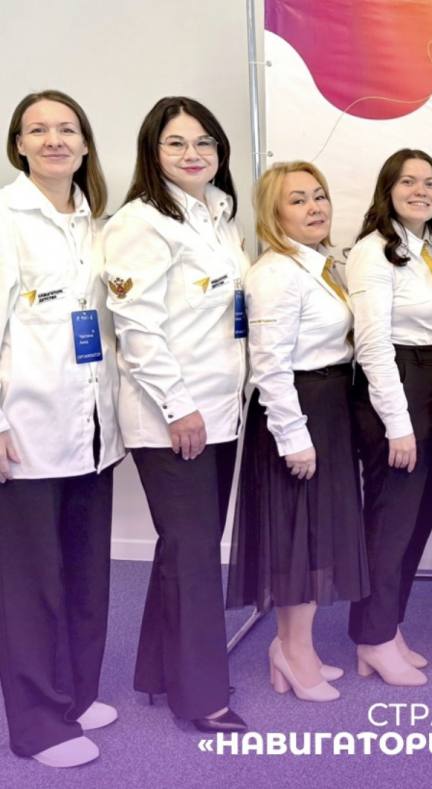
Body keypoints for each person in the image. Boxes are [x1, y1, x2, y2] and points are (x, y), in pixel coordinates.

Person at [102, 97, 248, 732]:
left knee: (187, 546)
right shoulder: (140, 223)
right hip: (173, 416)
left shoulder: (219, 214)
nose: (193, 154)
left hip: (221, 410)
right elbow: (136, 328)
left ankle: (161, 671)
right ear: (152, 152)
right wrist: (178, 405)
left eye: (204, 142)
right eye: (176, 143)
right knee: (193, 554)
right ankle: (202, 697)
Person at [0, 90, 122, 768]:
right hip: (28, 427)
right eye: (38, 129)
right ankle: (39, 724)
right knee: (31, 587)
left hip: (93, 427)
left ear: (84, 143)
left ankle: (74, 693)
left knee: (85, 571)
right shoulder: (6, 218)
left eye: (67, 128)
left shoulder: (94, 223)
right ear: (18, 145)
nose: (54, 139)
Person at [226, 161, 369, 702]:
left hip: (328, 407)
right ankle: (291, 650)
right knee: (297, 537)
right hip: (298, 412)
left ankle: (294, 647)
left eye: (319, 196)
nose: (314, 208)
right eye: (298, 200)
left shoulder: (320, 265)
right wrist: (294, 437)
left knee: (316, 536)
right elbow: (269, 364)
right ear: (273, 213)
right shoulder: (275, 274)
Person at [346, 148, 432, 686]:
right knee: (390, 524)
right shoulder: (373, 252)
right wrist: (398, 423)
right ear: (387, 190)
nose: (420, 191)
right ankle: (371, 637)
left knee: (415, 520)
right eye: (408, 181)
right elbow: (371, 344)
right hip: (398, 387)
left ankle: (388, 628)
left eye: (429, 182)